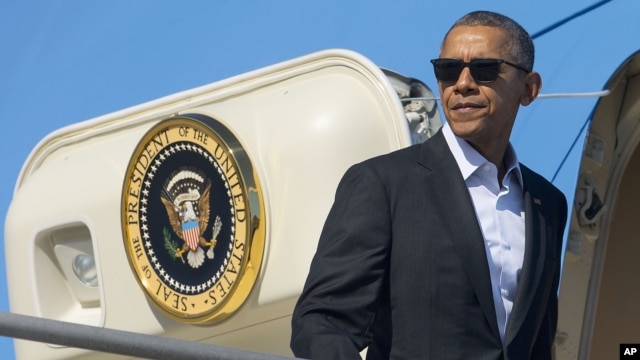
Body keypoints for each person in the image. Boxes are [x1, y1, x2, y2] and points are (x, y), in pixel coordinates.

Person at [290, 10, 568, 360]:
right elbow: (323, 323)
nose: (463, 83)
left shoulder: (547, 202)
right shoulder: (383, 185)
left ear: (529, 89)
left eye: (484, 69)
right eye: (448, 70)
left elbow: (539, 341)